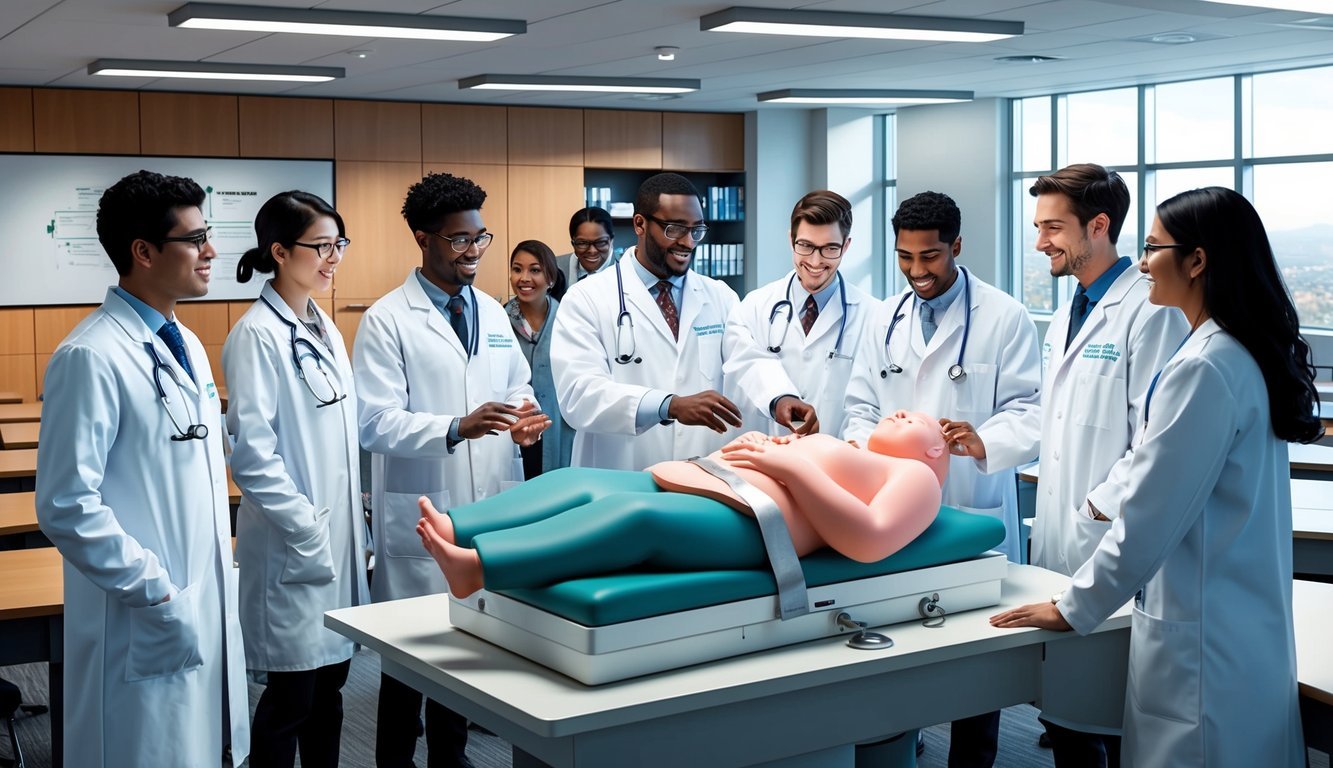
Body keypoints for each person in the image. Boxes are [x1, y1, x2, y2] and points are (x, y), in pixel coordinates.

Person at [992, 187, 1321, 767]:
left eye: (1152, 247)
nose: (1141, 263)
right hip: (1234, 628)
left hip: (1203, 644)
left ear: (1197, 260)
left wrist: (1073, 606)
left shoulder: (1203, 367)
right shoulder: (1232, 352)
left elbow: (1149, 512)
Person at [35, 170, 249, 766]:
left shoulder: (180, 341)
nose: (211, 252)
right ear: (144, 252)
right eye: (195, 238)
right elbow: (65, 505)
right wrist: (155, 592)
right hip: (146, 609)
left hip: (197, 596)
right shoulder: (91, 355)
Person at [353, 171, 549, 768]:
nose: (472, 253)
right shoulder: (388, 319)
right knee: (409, 659)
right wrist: (453, 427)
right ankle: (392, 761)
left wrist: (525, 417)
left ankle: (450, 758)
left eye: (480, 239)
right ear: (423, 238)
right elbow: (373, 421)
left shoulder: (492, 312)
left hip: (487, 503)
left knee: (465, 651)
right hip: (422, 507)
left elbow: (518, 384)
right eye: (459, 240)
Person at [842, 190, 1041, 767]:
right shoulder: (884, 316)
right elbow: (858, 403)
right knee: (895, 642)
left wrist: (985, 439)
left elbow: (1031, 408)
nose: (916, 272)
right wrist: (867, 451)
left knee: (978, 659)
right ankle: (901, 744)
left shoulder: (1004, 317)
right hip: (893, 504)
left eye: (929, 257)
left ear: (956, 246)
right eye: (904, 258)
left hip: (970, 499)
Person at [1013, 163, 1190, 764]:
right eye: (1038, 228)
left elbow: (1158, 439)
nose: (1040, 243)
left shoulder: (1151, 308)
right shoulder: (1068, 311)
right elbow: (1056, 421)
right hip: (1062, 539)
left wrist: (1098, 503)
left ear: (1099, 225)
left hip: (1111, 541)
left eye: (1052, 228)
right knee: (1068, 722)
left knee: (1110, 726)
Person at [415, 411, 950, 598]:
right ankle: (459, 524)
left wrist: (790, 465)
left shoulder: (916, 478)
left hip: (749, 524)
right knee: (579, 479)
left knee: (637, 519)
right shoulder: (852, 448)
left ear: (935, 449)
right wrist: (771, 448)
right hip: (706, 479)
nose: (902, 412)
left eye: (917, 420)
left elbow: (869, 539)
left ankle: (481, 568)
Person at [223, 191, 369, 768]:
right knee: (292, 698)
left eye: (339, 245)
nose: (333, 258)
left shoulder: (324, 328)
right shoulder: (256, 334)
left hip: (333, 540)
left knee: (331, 687)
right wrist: (307, 528)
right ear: (279, 252)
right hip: (296, 547)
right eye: (320, 247)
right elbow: (254, 456)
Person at [551, 172, 742, 470]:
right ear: (640, 224)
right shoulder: (586, 298)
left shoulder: (720, 297)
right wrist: (669, 405)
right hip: (620, 477)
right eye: (675, 229)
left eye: (696, 230)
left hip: (703, 476)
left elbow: (747, 366)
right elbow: (579, 396)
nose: (688, 243)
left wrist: (778, 398)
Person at [722, 190, 875, 436]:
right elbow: (744, 365)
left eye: (830, 249)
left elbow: (871, 405)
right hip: (768, 462)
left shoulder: (873, 317)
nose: (815, 262)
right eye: (805, 246)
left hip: (837, 465)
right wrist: (779, 397)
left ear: (846, 246)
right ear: (791, 239)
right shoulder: (754, 307)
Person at [505, 239, 574, 477]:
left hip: (559, 428)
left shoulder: (568, 321)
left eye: (534, 270)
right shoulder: (498, 321)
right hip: (514, 429)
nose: (524, 278)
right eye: (517, 269)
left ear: (551, 278)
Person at [550, 206, 616, 301]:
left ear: (611, 241)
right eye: (582, 243)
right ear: (573, 244)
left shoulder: (626, 270)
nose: (592, 251)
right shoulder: (554, 267)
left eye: (600, 242)